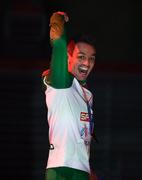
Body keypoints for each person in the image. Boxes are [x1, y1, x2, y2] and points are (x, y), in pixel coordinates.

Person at [42, 11, 97, 180]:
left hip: (80, 171)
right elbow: (59, 45)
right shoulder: (62, 82)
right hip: (61, 171)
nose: (87, 63)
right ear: (68, 58)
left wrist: (88, 171)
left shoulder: (87, 94)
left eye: (91, 59)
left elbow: (81, 138)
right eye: (81, 57)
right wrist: (57, 20)